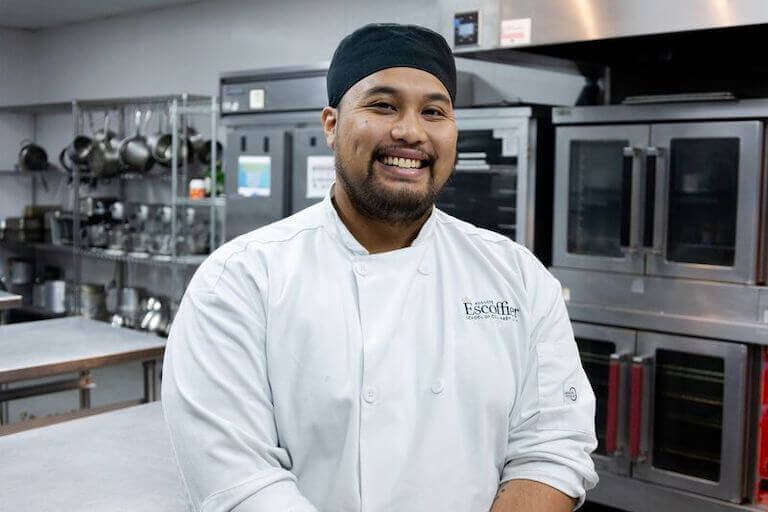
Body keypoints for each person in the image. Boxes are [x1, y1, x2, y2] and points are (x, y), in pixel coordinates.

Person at [162, 23, 598, 512]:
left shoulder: (517, 276)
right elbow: (239, 483)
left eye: (433, 111)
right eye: (383, 105)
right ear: (331, 124)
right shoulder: (240, 281)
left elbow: (553, 447)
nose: (411, 131)